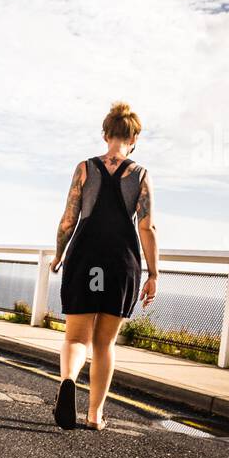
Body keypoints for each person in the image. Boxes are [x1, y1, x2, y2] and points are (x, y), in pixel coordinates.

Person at [51, 102, 158, 431]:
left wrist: (59, 254)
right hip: (120, 261)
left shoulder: (85, 168)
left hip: (84, 256)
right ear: (134, 138)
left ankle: (69, 379)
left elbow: (69, 219)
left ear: (105, 134)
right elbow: (147, 227)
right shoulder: (139, 174)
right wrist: (153, 273)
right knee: (104, 343)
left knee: (75, 339)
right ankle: (95, 415)